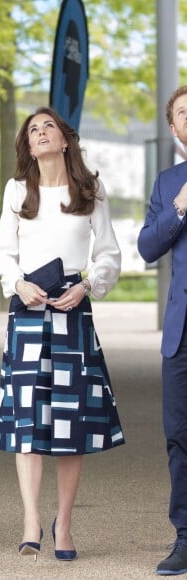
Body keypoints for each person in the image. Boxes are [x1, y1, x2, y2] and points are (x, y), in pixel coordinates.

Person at [0, 106, 125, 562]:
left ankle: (63, 524)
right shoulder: (15, 191)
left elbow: (109, 255)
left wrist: (88, 285)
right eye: (33, 129)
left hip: (72, 312)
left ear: (65, 140)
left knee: (70, 425)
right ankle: (31, 521)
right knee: (27, 420)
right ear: (28, 145)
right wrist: (17, 283)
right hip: (27, 311)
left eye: (49, 127)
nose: (41, 133)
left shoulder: (91, 190)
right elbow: (1, 254)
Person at [138, 85, 187, 576]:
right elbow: (147, 247)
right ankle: (185, 536)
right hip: (182, 332)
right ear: (174, 130)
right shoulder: (168, 182)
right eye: (182, 114)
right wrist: (179, 207)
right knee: (179, 435)